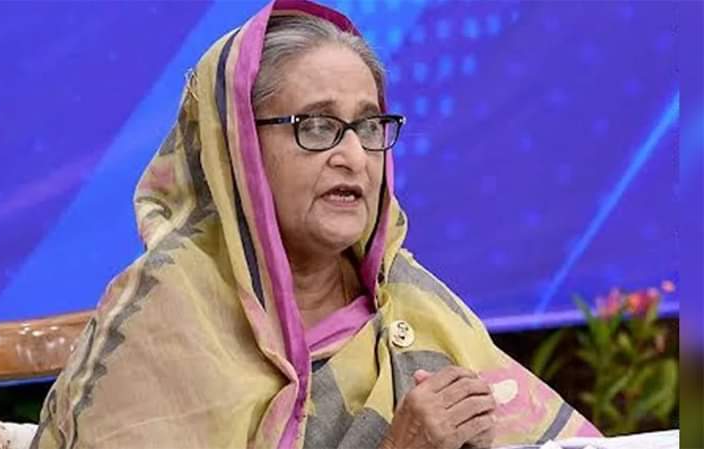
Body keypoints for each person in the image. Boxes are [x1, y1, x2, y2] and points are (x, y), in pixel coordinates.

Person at [29, 1, 600, 448]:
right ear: (239, 151)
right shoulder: (163, 324)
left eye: (369, 126)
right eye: (317, 126)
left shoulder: (410, 306)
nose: (354, 157)